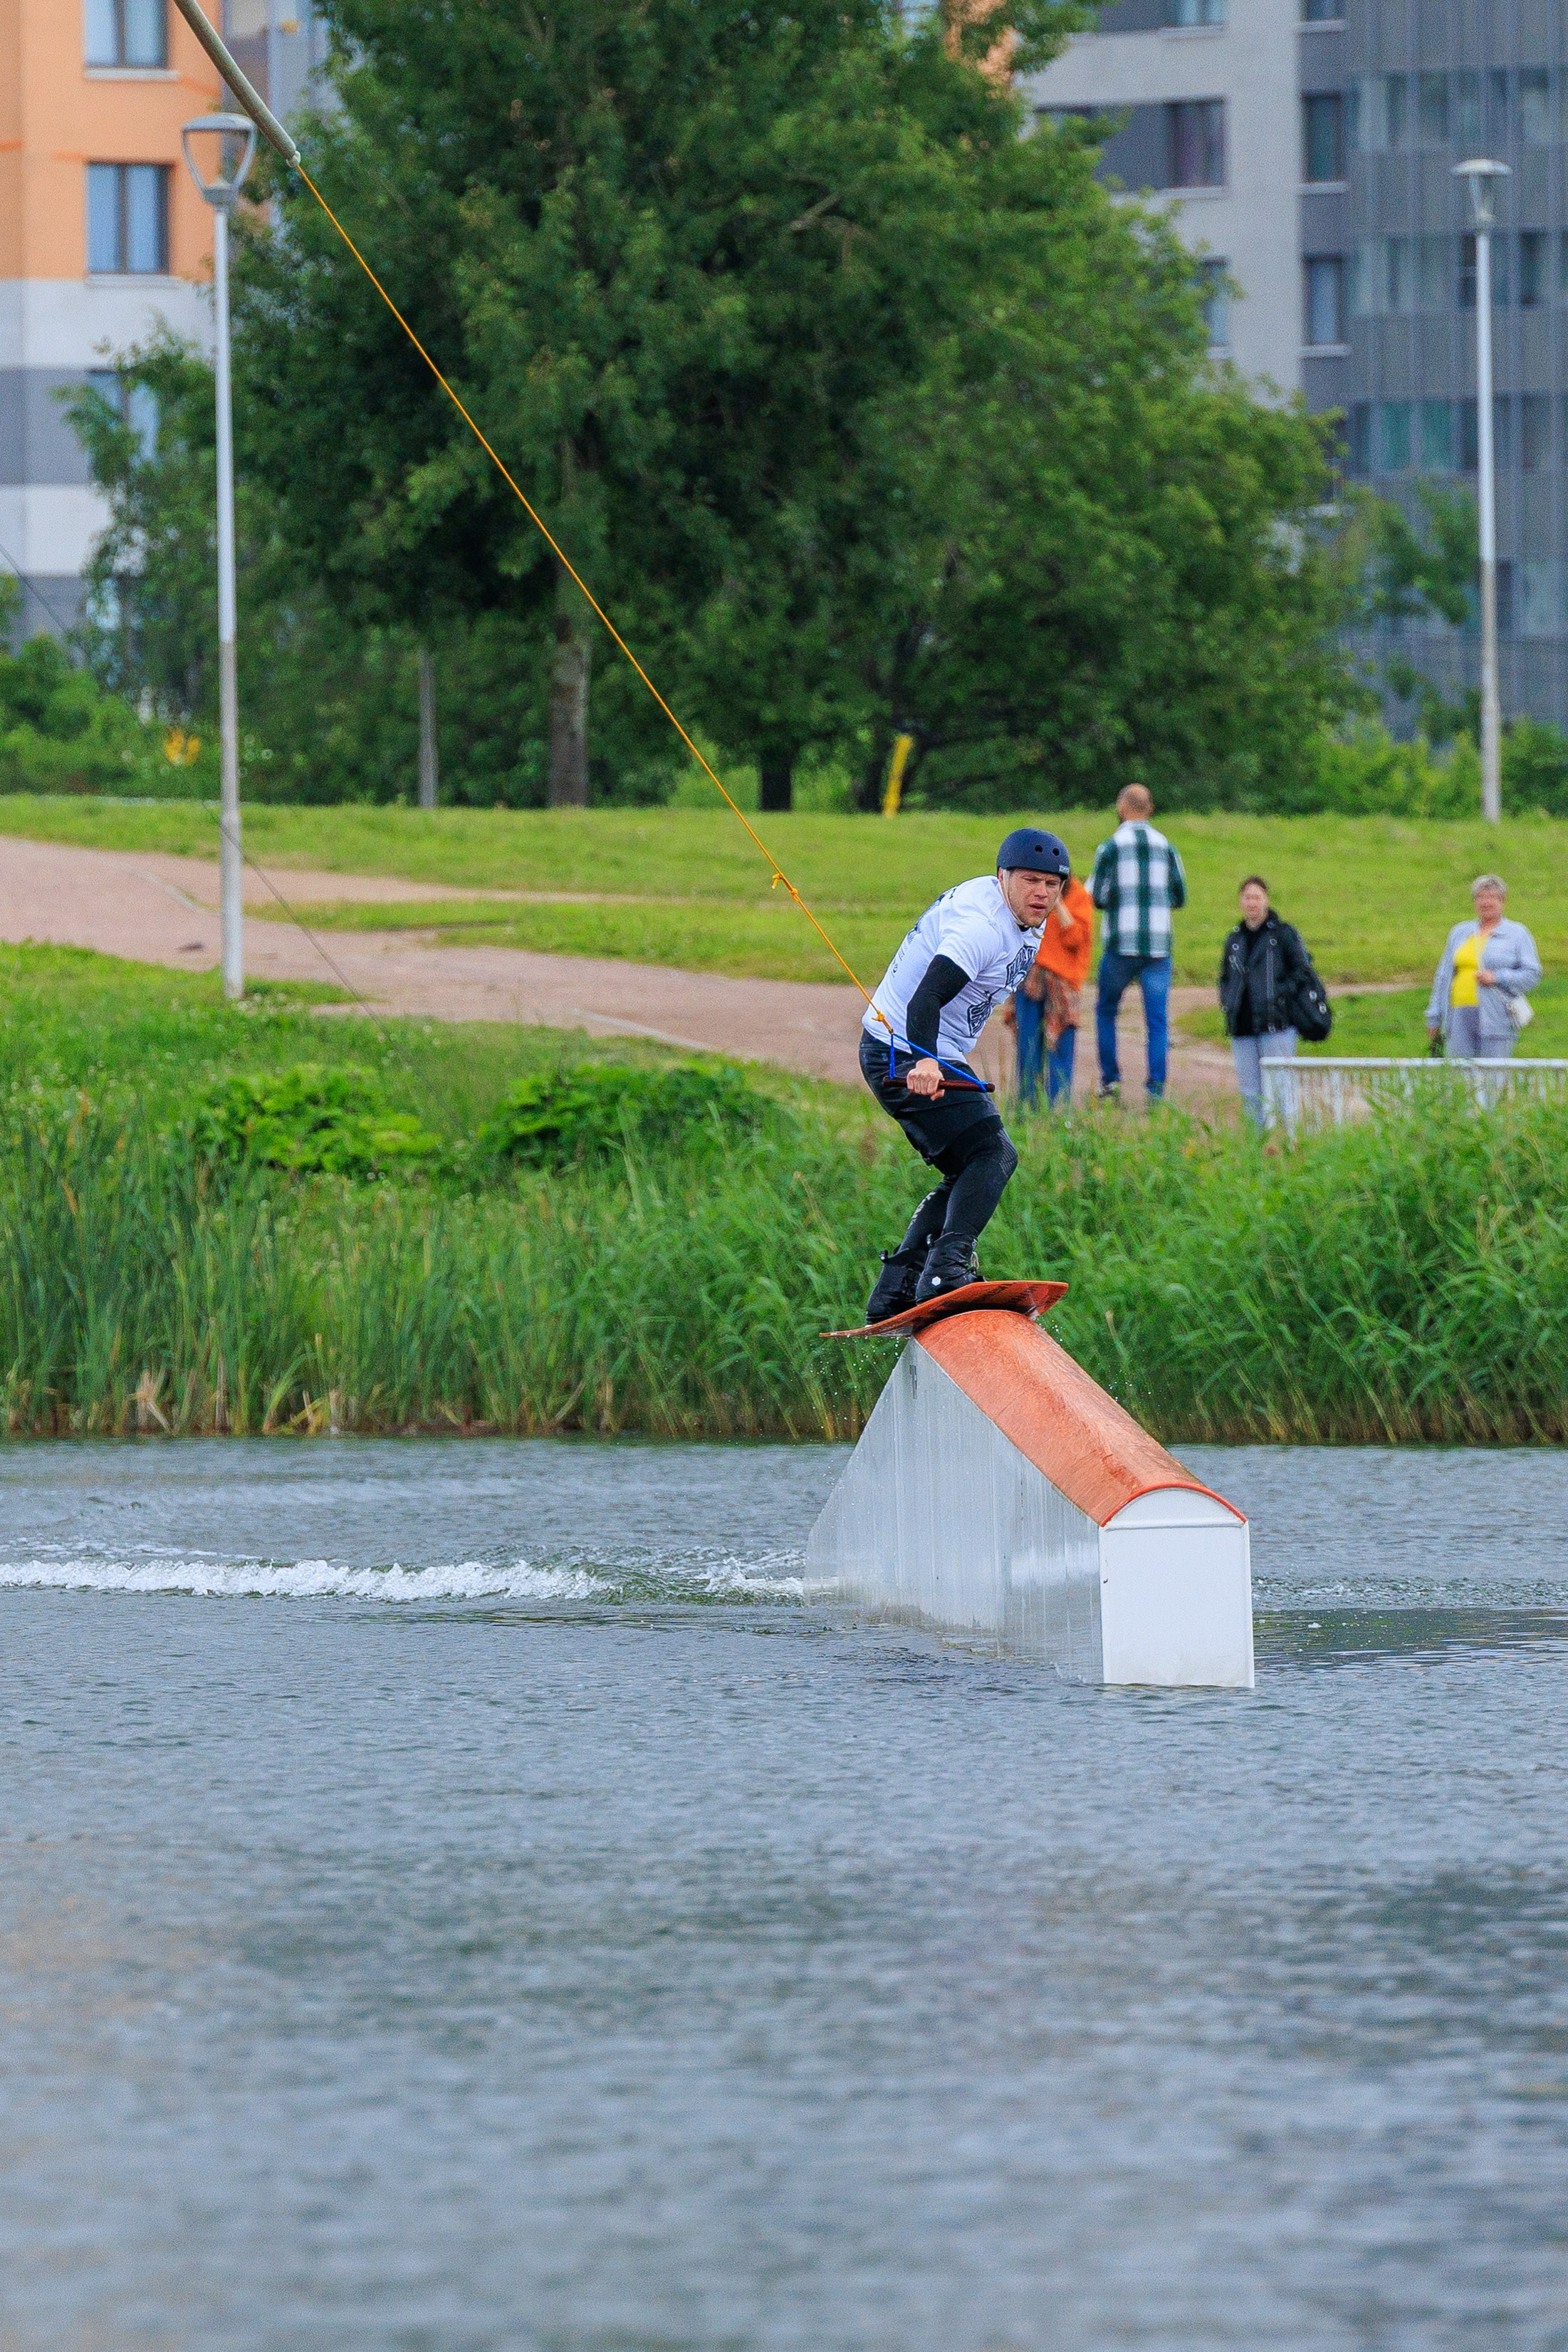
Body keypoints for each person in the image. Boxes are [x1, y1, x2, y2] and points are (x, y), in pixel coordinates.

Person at [860, 828, 1070, 1323]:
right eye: (1030, 881)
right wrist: (924, 1060)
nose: (1041, 893)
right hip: (905, 1050)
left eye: (1052, 884)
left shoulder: (1026, 916)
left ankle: (896, 1288)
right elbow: (927, 996)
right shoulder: (981, 927)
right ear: (1003, 878)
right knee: (993, 1153)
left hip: (929, 1050)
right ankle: (945, 1272)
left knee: (972, 1166)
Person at [1090, 784, 1186, 1103]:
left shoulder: (1111, 847)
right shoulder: (1166, 846)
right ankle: (1155, 1089)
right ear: (1150, 808)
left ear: (1122, 808)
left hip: (1122, 942)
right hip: (1159, 946)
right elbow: (1180, 895)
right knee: (1157, 1019)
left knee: (1106, 1010)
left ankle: (1111, 1081)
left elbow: (1097, 896)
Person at [1218, 877, 1312, 1129]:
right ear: (1241, 901)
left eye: (1257, 897)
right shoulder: (1234, 940)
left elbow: (1303, 970)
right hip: (1242, 1028)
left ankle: (1289, 1141)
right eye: (1248, 897)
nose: (1252, 902)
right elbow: (1225, 978)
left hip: (1277, 1025)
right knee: (1250, 1092)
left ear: (1266, 900)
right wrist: (1228, 1004)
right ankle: (1257, 1148)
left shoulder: (1283, 935)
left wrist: (1281, 995)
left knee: (1281, 1089)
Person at [1001, 860, 1094, 1110]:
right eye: (1038, 879)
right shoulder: (1029, 894)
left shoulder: (1079, 896)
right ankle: (1026, 1109)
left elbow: (1076, 941)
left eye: (1052, 882)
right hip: (1032, 978)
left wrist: (1059, 906)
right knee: (1028, 1047)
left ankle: (1057, 1111)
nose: (1044, 888)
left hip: (1063, 984)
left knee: (1061, 1049)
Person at [1426, 874, 1540, 1058]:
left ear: (1502, 901)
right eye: (1480, 897)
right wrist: (1434, 1017)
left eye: (1492, 897)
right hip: (1458, 1016)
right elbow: (1443, 977)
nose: (1486, 902)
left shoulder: (1517, 934)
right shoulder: (1459, 932)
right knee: (1460, 1077)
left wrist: (1497, 977)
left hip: (1496, 1017)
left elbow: (1532, 974)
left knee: (1493, 1077)